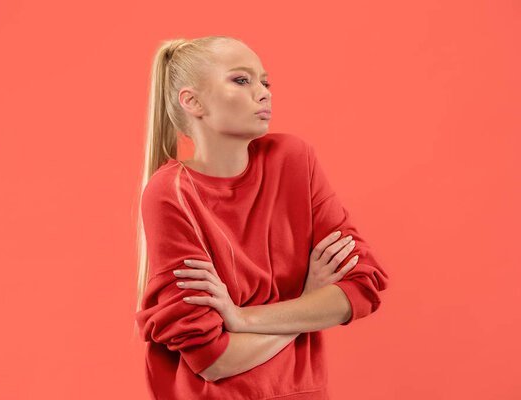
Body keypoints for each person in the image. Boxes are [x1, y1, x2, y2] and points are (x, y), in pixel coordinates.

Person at [132, 35, 389, 399]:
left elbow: (363, 287)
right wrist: (308, 299)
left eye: (264, 82)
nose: (263, 92)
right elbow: (213, 359)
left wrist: (241, 318)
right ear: (192, 101)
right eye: (241, 80)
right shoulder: (170, 193)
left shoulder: (294, 161)